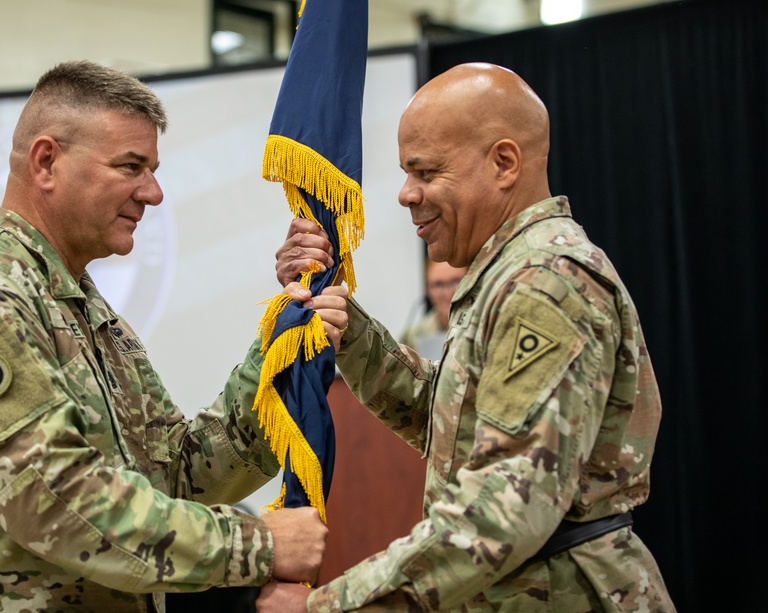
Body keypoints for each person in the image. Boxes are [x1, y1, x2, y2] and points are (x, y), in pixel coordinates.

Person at [0, 60, 348, 612]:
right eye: (131, 166)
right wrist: (259, 546)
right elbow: (52, 499)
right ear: (46, 162)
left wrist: (282, 347)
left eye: (152, 168)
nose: (154, 192)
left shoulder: (84, 310)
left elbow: (178, 476)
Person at [263, 62, 674, 611]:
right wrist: (345, 326)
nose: (407, 195)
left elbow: (507, 507)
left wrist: (327, 606)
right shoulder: (510, 273)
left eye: (426, 172)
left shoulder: (542, 284)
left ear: (504, 163)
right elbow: (451, 423)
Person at [401, 259, 468, 359]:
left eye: (456, 281)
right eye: (438, 284)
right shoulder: (414, 337)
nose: (447, 292)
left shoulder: (485, 323)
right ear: (427, 288)